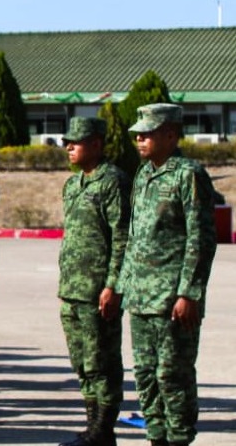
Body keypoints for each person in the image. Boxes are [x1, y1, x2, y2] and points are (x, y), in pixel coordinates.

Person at [118, 103, 216, 446]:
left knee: (172, 375)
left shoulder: (188, 174)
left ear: (171, 135)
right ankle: (156, 437)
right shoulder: (143, 174)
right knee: (145, 375)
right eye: (138, 135)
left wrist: (189, 292)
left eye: (147, 134)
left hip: (172, 298)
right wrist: (122, 286)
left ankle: (178, 440)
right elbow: (135, 236)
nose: (140, 140)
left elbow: (201, 238)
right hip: (141, 297)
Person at [57, 117, 130, 446]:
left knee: (102, 361)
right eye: (67, 142)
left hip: (98, 289)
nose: (69, 147)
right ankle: (93, 428)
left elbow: (122, 238)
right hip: (73, 289)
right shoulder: (73, 184)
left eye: (77, 141)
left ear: (97, 144)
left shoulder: (113, 181)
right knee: (82, 362)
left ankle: (104, 429)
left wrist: (113, 285)